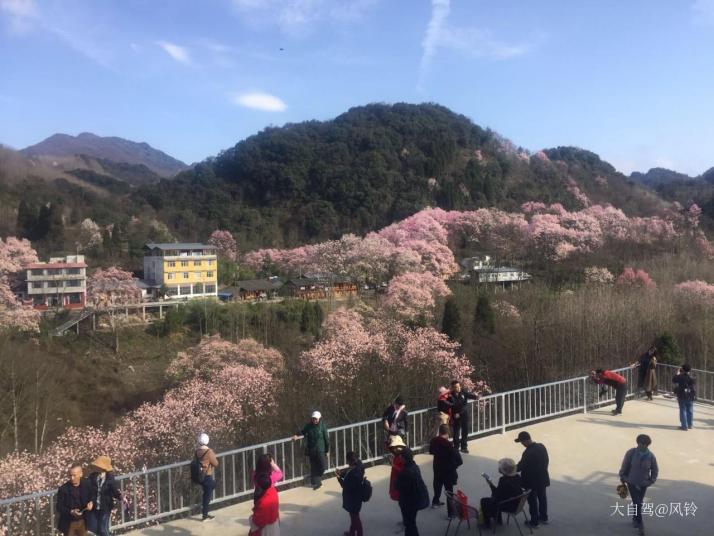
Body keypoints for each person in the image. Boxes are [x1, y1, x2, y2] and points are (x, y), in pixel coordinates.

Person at [619, 434, 658, 535]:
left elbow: (655, 469)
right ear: (638, 443)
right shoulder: (631, 453)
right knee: (638, 503)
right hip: (631, 482)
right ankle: (641, 525)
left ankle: (635, 519)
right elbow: (625, 465)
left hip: (644, 484)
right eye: (642, 444)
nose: (643, 446)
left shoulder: (651, 456)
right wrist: (622, 476)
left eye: (645, 445)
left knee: (638, 503)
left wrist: (651, 480)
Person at [515, 431, 549, 528]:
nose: (521, 444)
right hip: (542, 478)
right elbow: (546, 461)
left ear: (525, 440)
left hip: (531, 482)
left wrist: (508, 469)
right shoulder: (541, 446)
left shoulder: (528, 452)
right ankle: (544, 517)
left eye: (521, 442)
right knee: (542, 498)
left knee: (532, 501)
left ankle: (534, 522)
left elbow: (521, 466)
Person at [479, 458, 524, 529]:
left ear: (504, 470)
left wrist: (490, 484)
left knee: (484, 501)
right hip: (517, 503)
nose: (499, 468)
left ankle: (487, 523)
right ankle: (498, 519)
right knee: (493, 500)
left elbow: (496, 496)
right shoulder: (517, 477)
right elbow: (502, 493)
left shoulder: (504, 481)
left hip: (510, 505)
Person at [429, 424, 462, 517]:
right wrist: (454, 466)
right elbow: (459, 460)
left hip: (437, 467)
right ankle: (450, 513)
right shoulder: (448, 445)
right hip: (447, 471)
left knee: (437, 485)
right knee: (449, 491)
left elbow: (431, 451)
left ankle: (435, 502)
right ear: (447, 433)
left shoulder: (434, 441)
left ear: (439, 431)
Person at [395, 448, 429, 536]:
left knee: (409, 525)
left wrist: (397, 479)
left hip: (408, 503)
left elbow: (399, 487)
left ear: (403, 459)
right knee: (411, 523)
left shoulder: (405, 472)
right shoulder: (415, 467)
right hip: (415, 501)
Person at [291, 410, 330, 490]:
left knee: (323, 466)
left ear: (319, 419)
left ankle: (316, 479)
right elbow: (303, 432)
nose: (314, 420)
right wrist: (296, 435)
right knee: (314, 466)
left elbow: (326, 439)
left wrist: (327, 450)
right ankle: (316, 482)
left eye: (316, 419)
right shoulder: (308, 426)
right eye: (313, 418)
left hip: (320, 449)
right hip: (311, 450)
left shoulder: (323, 426)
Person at [86, 456, 122, 536]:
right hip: (94, 506)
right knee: (93, 528)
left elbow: (114, 490)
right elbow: (89, 491)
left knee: (103, 528)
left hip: (105, 506)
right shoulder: (92, 476)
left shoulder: (110, 477)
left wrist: (120, 497)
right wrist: (90, 501)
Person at [56, 463, 93, 536]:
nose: (72, 478)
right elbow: (59, 507)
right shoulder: (63, 489)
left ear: (81, 474)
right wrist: (71, 511)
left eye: (74, 475)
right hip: (69, 522)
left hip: (83, 520)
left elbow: (93, 496)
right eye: (70, 475)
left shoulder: (87, 484)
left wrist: (91, 503)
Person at [249, 454, 282, 536]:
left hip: (259, 502)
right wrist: (273, 464)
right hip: (271, 514)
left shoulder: (255, 475)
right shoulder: (270, 478)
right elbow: (280, 474)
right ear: (269, 465)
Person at [337, 451, 365, 536]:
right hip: (356, 497)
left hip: (353, 498)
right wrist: (341, 473)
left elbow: (346, 486)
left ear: (350, 461)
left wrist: (339, 479)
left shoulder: (354, 473)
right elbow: (348, 471)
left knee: (355, 518)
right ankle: (352, 533)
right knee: (354, 517)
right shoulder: (358, 466)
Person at [448, 380, 479, 453]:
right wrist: (455, 414)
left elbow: (469, 395)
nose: (458, 388)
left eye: (459, 386)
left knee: (465, 431)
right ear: (453, 388)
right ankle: (456, 448)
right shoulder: (450, 396)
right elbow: (451, 406)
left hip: (464, 414)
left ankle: (464, 447)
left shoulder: (463, 392)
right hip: (456, 416)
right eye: (456, 387)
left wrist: (476, 397)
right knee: (456, 432)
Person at [195, 433, 219, 521]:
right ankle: (205, 516)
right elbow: (216, 463)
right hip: (207, 476)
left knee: (206, 494)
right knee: (207, 496)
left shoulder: (197, 451)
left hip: (200, 475)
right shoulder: (209, 452)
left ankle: (205, 514)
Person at [672, 364, 696, 430]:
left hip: (682, 395)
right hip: (690, 395)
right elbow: (693, 384)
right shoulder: (692, 377)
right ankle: (690, 425)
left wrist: (678, 373)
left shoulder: (680, 376)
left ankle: (684, 426)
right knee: (690, 410)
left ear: (682, 369)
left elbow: (674, 380)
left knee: (683, 410)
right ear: (690, 370)